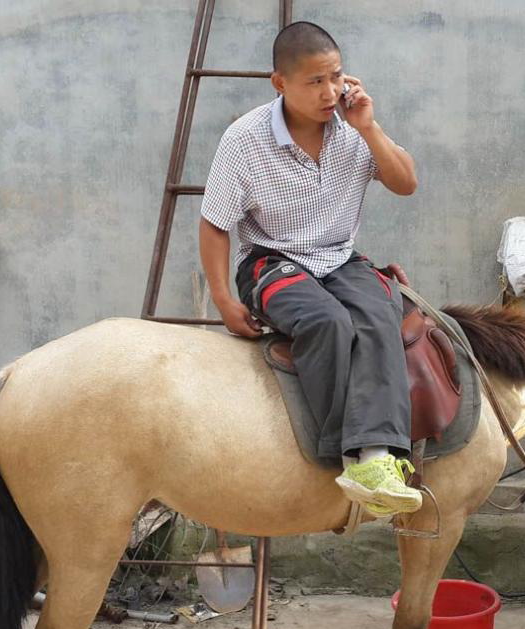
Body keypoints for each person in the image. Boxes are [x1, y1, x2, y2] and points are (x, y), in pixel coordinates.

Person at [198, 21, 420, 516]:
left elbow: (406, 183)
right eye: (314, 81)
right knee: (327, 321)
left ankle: (379, 457)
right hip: (270, 263)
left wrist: (368, 126)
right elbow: (214, 225)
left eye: (336, 76)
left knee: (382, 310)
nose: (330, 91)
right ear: (280, 83)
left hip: (338, 257)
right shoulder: (245, 140)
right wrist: (223, 300)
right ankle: (344, 451)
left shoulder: (353, 127)